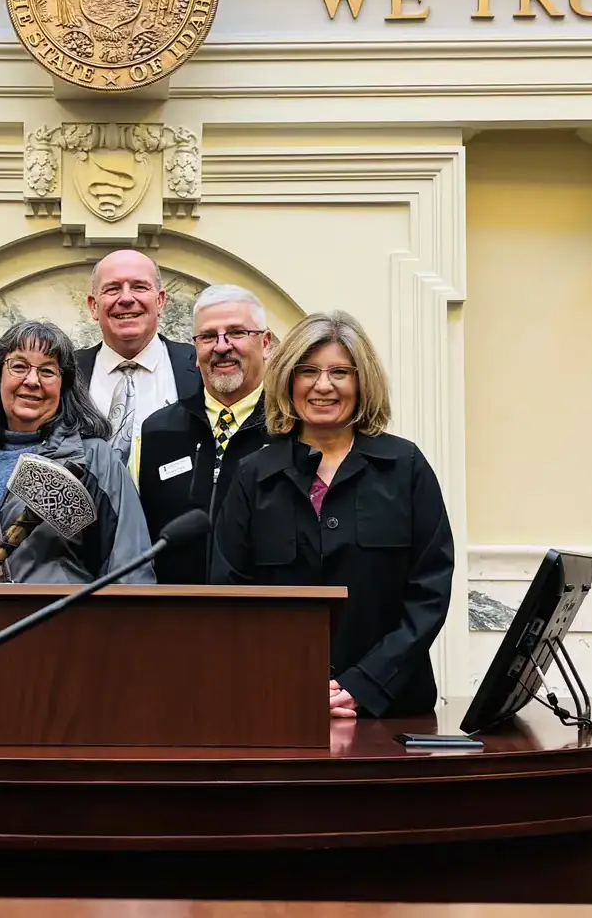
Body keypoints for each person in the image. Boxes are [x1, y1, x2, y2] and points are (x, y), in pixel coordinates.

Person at [211, 311, 455, 719]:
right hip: (278, 700)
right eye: (308, 371)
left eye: (340, 372)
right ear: (289, 380)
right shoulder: (252, 474)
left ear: (362, 383)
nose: (323, 386)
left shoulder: (405, 466)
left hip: (391, 706)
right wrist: (292, 681)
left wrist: (364, 683)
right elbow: (230, 593)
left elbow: (429, 592)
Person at [0, 320, 155, 712]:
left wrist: (126, 665)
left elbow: (130, 567)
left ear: (66, 385)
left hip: (65, 659)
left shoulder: (94, 459)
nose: (32, 381)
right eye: (18, 366)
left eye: (47, 370)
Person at [131, 284, 282, 584]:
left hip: (267, 620)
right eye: (208, 336)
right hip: (173, 618)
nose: (222, 347)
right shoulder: (155, 433)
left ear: (265, 343)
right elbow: (132, 542)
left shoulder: (291, 430)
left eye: (237, 333)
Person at [75, 249, 202, 465]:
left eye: (139, 287)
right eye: (112, 289)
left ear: (160, 301)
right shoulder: (65, 372)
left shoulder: (201, 367)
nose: (126, 298)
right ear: (93, 306)